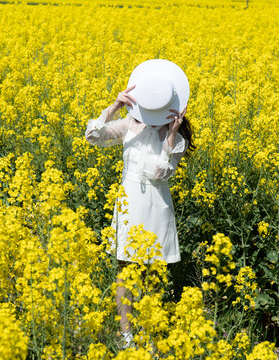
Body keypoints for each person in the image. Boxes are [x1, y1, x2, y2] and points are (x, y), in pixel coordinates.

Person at [84, 59, 194, 348]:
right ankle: (126, 336)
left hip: (157, 206)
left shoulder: (177, 139)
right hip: (129, 203)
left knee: (152, 275)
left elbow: (160, 173)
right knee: (124, 271)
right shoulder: (130, 124)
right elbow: (93, 136)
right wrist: (114, 106)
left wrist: (170, 134)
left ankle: (148, 334)